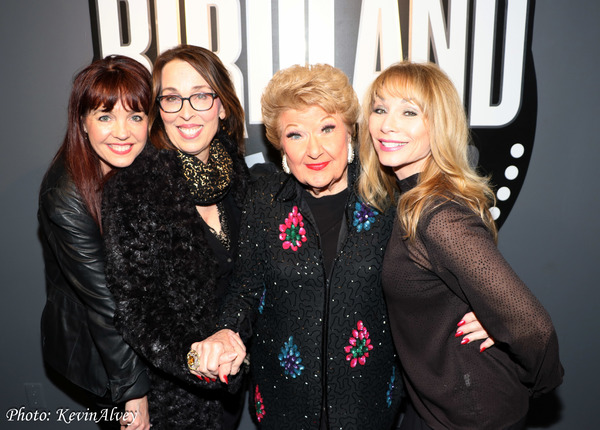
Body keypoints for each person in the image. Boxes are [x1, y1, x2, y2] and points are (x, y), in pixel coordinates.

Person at [188, 64, 492, 430]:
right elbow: (246, 288)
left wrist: (490, 312)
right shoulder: (263, 199)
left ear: (350, 131)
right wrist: (226, 330)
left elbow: (451, 263)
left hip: (369, 405)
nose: (314, 149)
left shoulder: (391, 198)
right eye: (296, 134)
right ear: (279, 144)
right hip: (282, 405)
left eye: (327, 128)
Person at [357, 61, 564, 429]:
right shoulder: (408, 198)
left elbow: (533, 327)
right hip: (431, 405)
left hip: (473, 414)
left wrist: (535, 382)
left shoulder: (438, 215)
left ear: (439, 126)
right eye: (380, 108)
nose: (388, 124)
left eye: (409, 111)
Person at [101, 45, 249, 429]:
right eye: (171, 98)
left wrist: (233, 340)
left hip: (233, 388)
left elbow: (251, 278)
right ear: (158, 111)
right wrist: (195, 358)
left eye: (200, 95)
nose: (186, 111)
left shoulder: (240, 176)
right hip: (173, 400)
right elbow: (136, 310)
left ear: (223, 105)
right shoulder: (133, 189)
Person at [38, 55, 152, 429]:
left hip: (135, 332)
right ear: (82, 123)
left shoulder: (137, 166)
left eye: (135, 116)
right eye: (105, 116)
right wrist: (134, 394)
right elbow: (106, 302)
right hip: (100, 354)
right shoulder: (65, 197)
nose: (123, 132)